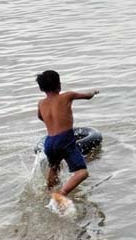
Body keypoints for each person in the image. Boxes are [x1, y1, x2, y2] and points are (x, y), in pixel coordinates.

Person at [35, 70, 97, 202]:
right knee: (82, 172)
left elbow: (40, 117)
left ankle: (49, 191)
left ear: (42, 88)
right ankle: (61, 194)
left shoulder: (41, 103)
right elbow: (87, 96)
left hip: (49, 142)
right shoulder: (68, 96)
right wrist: (93, 92)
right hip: (65, 139)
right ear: (59, 84)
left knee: (54, 166)